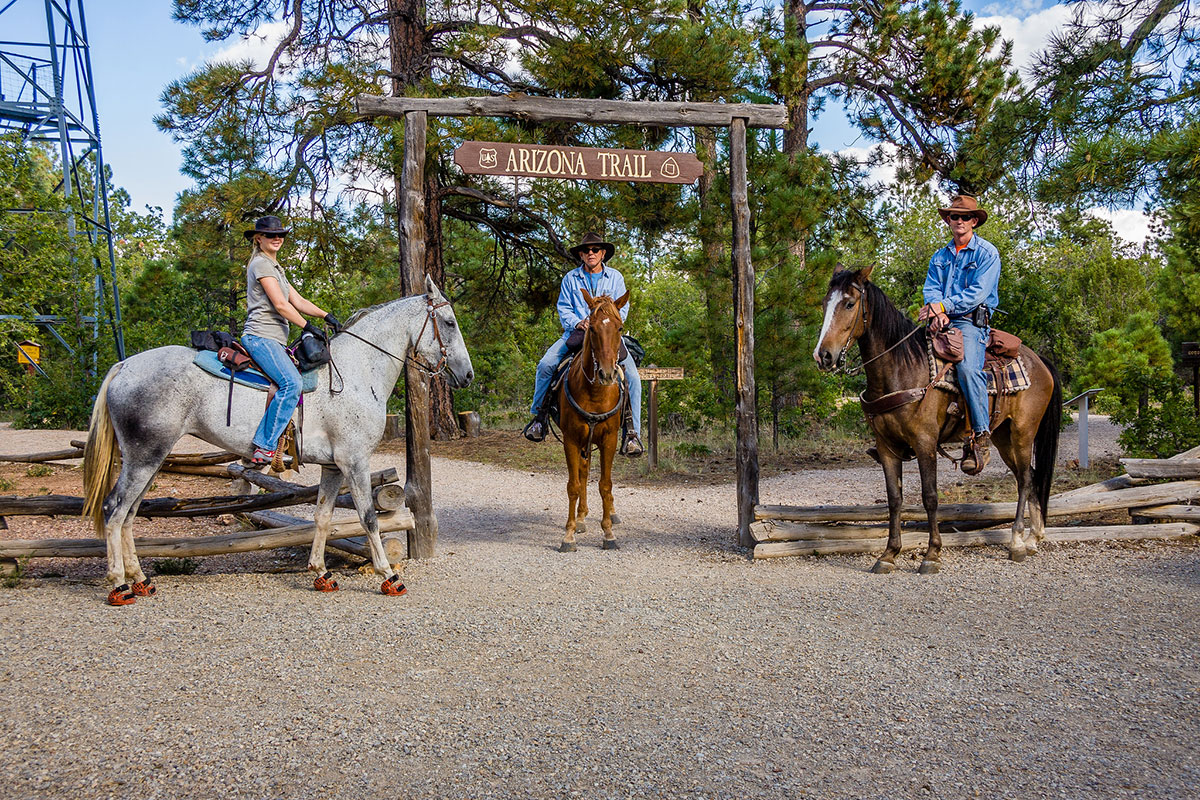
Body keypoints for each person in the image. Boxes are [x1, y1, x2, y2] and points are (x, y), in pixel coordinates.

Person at [524, 232, 643, 457]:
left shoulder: (615, 278)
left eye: (595, 249)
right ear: (581, 254)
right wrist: (579, 322)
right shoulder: (570, 279)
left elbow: (622, 309)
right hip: (577, 333)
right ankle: (539, 418)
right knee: (546, 365)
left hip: (607, 335)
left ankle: (632, 433)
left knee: (634, 378)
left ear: (603, 253)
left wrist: (604, 322)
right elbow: (564, 308)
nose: (591, 253)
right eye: (586, 250)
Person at [240, 215, 341, 466]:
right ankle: (264, 446)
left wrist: (326, 315)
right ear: (258, 238)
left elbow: (298, 301)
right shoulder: (261, 264)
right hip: (261, 337)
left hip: (274, 340)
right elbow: (281, 305)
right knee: (291, 383)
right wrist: (308, 327)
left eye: (280, 235)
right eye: (271, 235)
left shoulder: (275, 268)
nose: (277, 239)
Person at [919, 193, 1000, 475]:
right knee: (907, 357)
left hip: (970, 321)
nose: (960, 221)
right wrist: (936, 310)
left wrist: (944, 306)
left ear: (974, 221)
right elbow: (931, 288)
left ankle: (980, 436)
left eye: (965, 217)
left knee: (967, 369)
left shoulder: (987, 253)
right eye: (955, 216)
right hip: (940, 319)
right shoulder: (939, 257)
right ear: (949, 221)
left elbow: (978, 293)